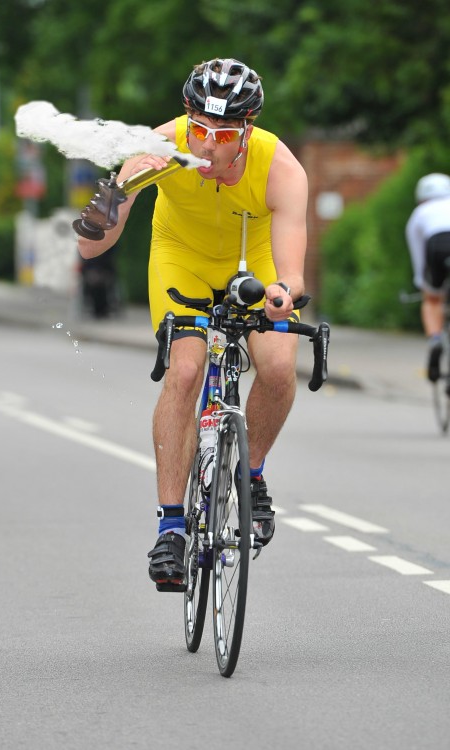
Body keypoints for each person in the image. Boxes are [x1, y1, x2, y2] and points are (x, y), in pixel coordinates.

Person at [77, 58, 308, 590]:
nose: (207, 146)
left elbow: (292, 272)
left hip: (256, 264)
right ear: (187, 120)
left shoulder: (280, 167)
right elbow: (92, 246)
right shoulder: (158, 147)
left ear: (246, 130)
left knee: (277, 366)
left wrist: (281, 295)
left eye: (223, 134)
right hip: (180, 257)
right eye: (200, 129)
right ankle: (172, 528)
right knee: (184, 369)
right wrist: (107, 207)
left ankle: (252, 476)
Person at [405, 172, 450, 382]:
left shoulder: (419, 213)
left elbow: (419, 257)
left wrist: (423, 284)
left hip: (437, 245)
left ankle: (435, 340)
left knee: (432, 299)